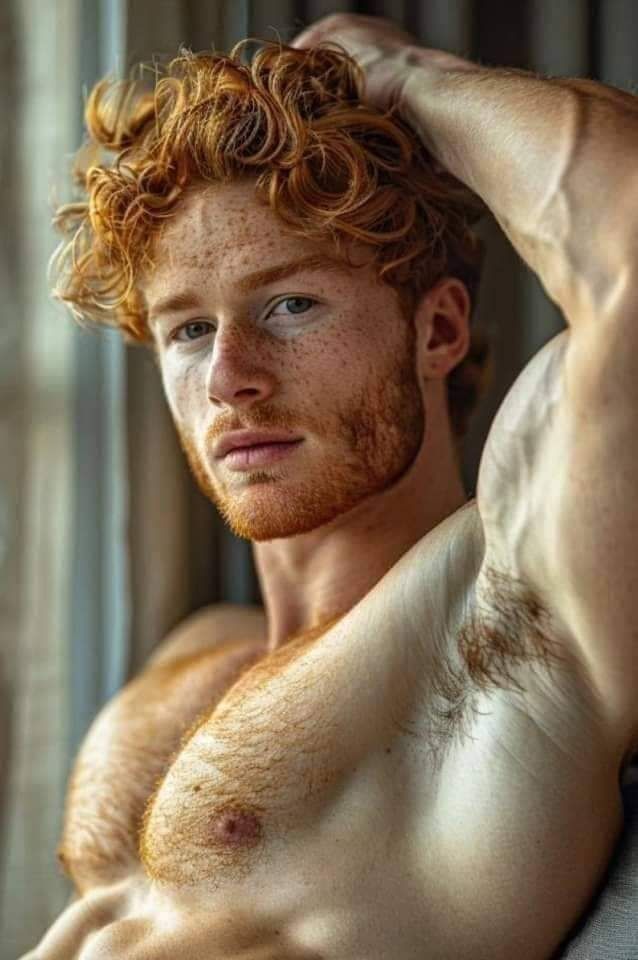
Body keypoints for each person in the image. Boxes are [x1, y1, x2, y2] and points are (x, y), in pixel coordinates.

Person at [25, 12, 638, 959]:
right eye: (189, 328)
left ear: (436, 332)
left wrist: (401, 74)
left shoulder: (508, 611)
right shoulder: (202, 649)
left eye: (291, 305)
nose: (230, 376)